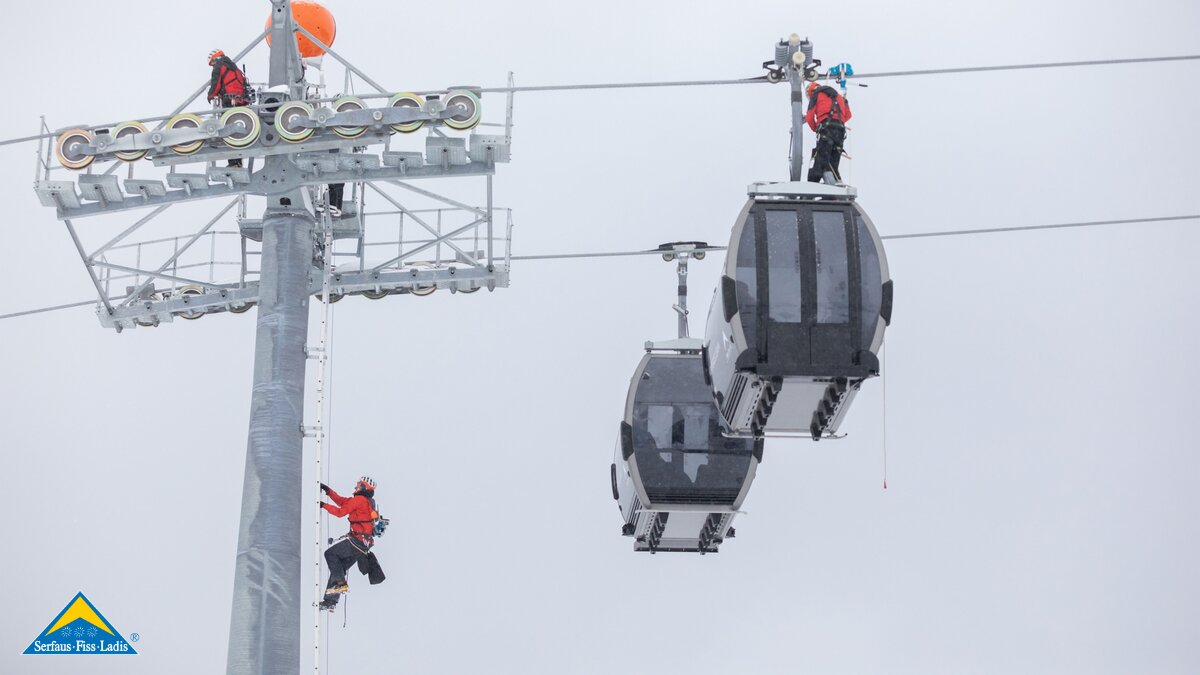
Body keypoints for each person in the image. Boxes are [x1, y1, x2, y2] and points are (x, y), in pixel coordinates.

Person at [318, 476, 386, 610]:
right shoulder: (367, 501)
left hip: (357, 541)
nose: (355, 487)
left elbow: (340, 512)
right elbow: (342, 501)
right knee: (340, 568)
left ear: (364, 487)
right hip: (364, 545)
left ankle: (341, 584)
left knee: (330, 554)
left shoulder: (359, 500)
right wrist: (328, 491)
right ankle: (331, 601)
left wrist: (323, 505)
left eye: (358, 484)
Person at [206, 50, 250, 168]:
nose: (212, 66)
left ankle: (233, 163)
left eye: (212, 63)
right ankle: (237, 161)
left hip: (229, 102)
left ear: (215, 59)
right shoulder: (235, 68)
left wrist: (211, 95)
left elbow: (216, 83)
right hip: (240, 103)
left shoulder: (219, 66)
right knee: (237, 132)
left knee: (228, 132)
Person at [804, 81, 853, 184]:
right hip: (840, 132)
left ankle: (812, 186)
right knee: (832, 164)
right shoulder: (839, 97)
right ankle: (837, 186)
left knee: (820, 161)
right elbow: (848, 115)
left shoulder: (816, 94)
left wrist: (816, 127)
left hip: (826, 130)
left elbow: (809, 117)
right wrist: (837, 120)